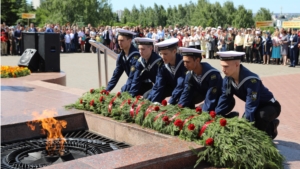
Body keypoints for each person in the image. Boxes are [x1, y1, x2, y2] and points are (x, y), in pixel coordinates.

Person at [215, 51, 281, 139]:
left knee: (259, 118)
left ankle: (271, 128)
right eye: (222, 66)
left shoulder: (251, 80)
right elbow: (225, 97)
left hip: (270, 106)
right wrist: (216, 115)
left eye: (226, 66)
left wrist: (245, 125)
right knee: (249, 119)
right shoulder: (227, 79)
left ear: (237, 64)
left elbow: (251, 104)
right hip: (255, 105)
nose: (223, 69)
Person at [145, 38, 186, 105]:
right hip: (171, 88)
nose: (162, 57)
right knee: (147, 96)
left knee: (182, 103)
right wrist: (152, 102)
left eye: (165, 54)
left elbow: (180, 85)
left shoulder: (183, 63)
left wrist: (170, 102)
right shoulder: (163, 64)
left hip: (186, 90)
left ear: (174, 52)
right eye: (161, 54)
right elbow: (159, 84)